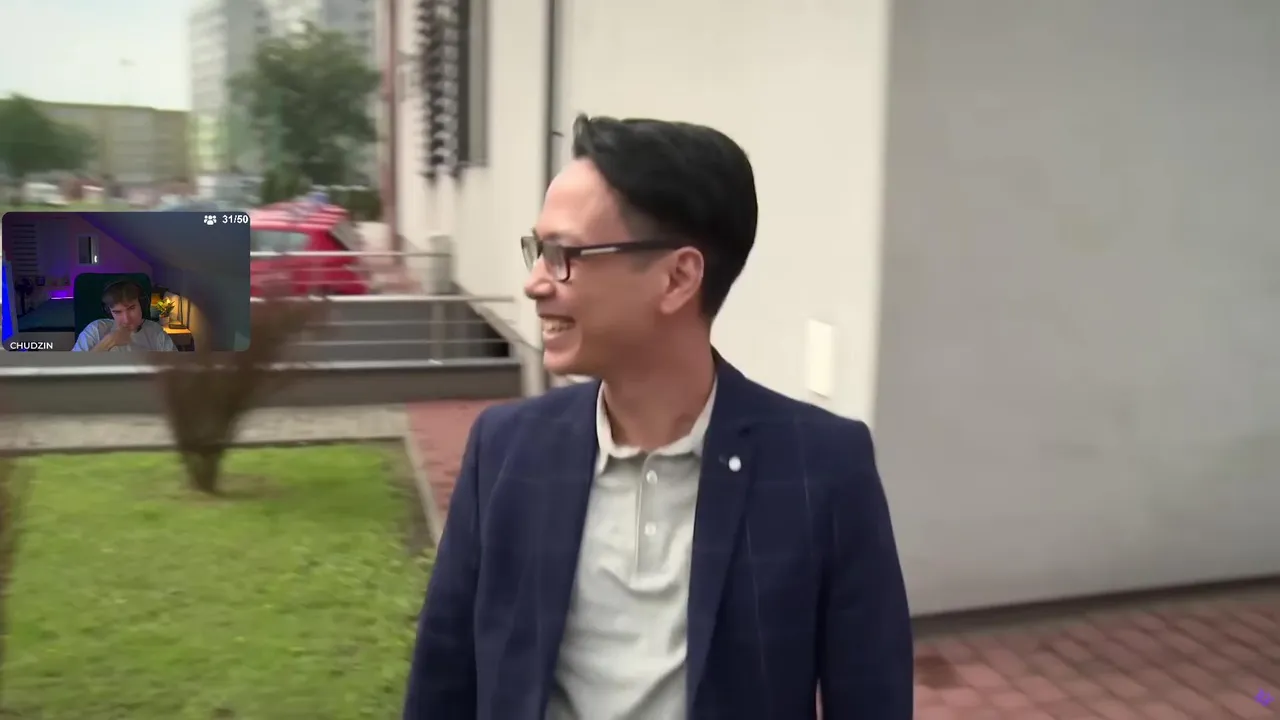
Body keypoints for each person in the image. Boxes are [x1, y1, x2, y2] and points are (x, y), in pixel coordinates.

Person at [403, 114, 914, 720]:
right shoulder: (506, 450)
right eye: (538, 251)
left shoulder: (822, 469)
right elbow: (444, 678)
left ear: (677, 278)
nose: (535, 283)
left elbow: (872, 699)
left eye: (563, 254)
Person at [71, 279, 177, 352]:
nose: (127, 319)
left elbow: (177, 369)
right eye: (117, 312)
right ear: (109, 312)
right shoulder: (95, 330)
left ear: (142, 305)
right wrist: (107, 343)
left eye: (131, 308)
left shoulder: (155, 332)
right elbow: (71, 371)